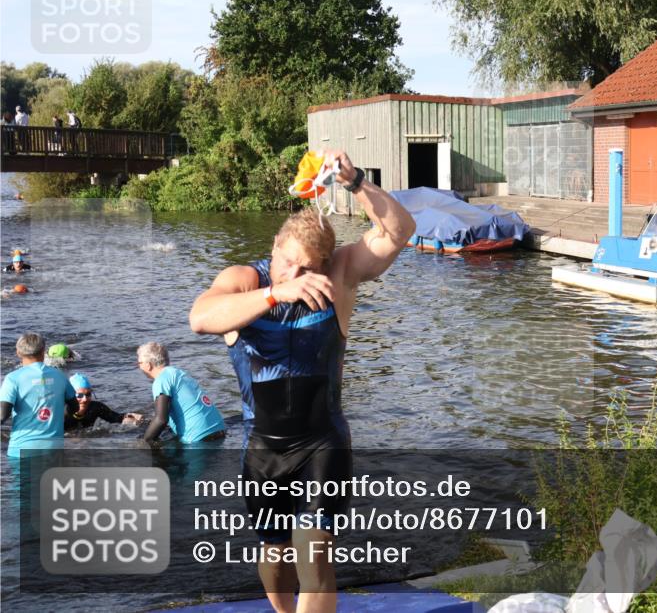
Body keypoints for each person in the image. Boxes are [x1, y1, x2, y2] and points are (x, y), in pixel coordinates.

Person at [188, 149, 415, 613]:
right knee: (275, 556)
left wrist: (356, 182)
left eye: (307, 268)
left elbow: (400, 232)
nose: (295, 274)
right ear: (274, 245)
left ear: (324, 264)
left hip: (322, 443)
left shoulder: (340, 276)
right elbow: (201, 318)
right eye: (287, 261)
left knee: (315, 556)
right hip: (263, 448)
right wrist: (276, 292)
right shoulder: (243, 280)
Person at [0, 333, 76, 457]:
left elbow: (3, 415)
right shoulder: (60, 375)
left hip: (22, 449)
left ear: (18, 353)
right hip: (54, 449)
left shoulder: (12, 378)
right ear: (43, 351)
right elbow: (75, 407)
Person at [136, 341, 225, 444]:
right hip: (219, 429)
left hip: (198, 438)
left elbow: (161, 420)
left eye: (139, 363)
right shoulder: (178, 373)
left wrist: (144, 441)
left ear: (148, 365)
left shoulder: (161, 380)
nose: (139, 366)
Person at [64, 373, 143, 431]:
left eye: (88, 394)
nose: (85, 399)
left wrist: (132, 417)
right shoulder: (64, 410)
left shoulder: (96, 407)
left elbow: (116, 418)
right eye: (80, 395)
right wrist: (80, 413)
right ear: (71, 395)